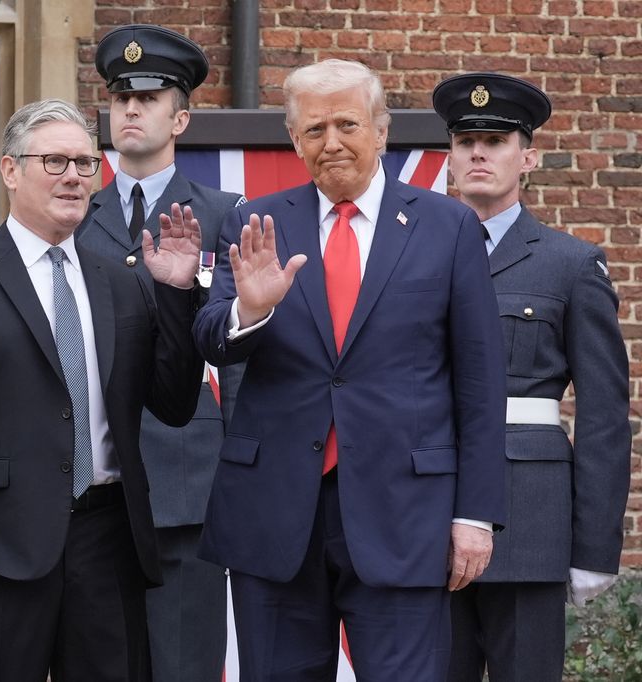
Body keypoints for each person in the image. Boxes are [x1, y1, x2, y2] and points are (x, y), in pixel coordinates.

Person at [192, 59, 509, 681]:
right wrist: (248, 310)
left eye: (346, 124)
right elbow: (210, 339)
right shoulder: (256, 221)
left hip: (405, 514)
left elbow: (479, 380)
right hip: (276, 513)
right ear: (294, 140)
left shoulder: (446, 227)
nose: (330, 142)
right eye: (314, 130)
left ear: (382, 130)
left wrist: (474, 515)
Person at [0, 98, 205, 682]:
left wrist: (174, 293)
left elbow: (173, 403)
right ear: (11, 170)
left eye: (85, 163)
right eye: (54, 161)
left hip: (108, 540)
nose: (72, 176)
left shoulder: (122, 282)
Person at [433, 72, 632, 682]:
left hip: (529, 518)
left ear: (529, 157)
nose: (478, 153)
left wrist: (594, 548)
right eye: (466, 140)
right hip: (425, 506)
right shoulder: (410, 256)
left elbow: (603, 414)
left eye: (495, 140)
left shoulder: (570, 264)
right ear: (450, 156)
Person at [77, 24, 245, 682]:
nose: (131, 111)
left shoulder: (225, 215)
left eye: (148, 99)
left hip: (189, 477)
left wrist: (239, 466)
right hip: (95, 475)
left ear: (180, 116)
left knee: (183, 664)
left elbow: (239, 354)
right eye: (120, 100)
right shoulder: (74, 216)